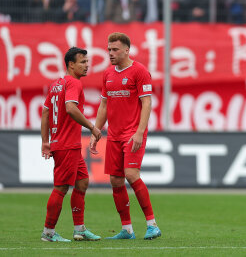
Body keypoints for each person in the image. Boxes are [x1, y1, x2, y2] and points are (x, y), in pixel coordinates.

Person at [90, 32, 161, 240]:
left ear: (127, 50)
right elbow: (104, 104)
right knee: (116, 180)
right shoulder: (108, 74)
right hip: (113, 134)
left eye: (115, 50)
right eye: (109, 49)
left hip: (132, 133)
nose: (110, 53)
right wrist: (96, 130)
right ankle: (127, 229)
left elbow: (147, 103)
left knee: (131, 174)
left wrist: (140, 132)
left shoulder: (140, 72)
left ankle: (152, 224)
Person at [41, 47, 102, 242]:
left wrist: (45, 141)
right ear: (71, 64)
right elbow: (70, 108)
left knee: (82, 182)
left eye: (87, 61)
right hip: (67, 145)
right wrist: (92, 127)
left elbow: (45, 113)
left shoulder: (56, 84)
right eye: (82, 62)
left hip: (65, 144)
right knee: (60, 188)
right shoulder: (74, 83)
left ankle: (80, 229)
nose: (87, 65)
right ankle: (48, 232)